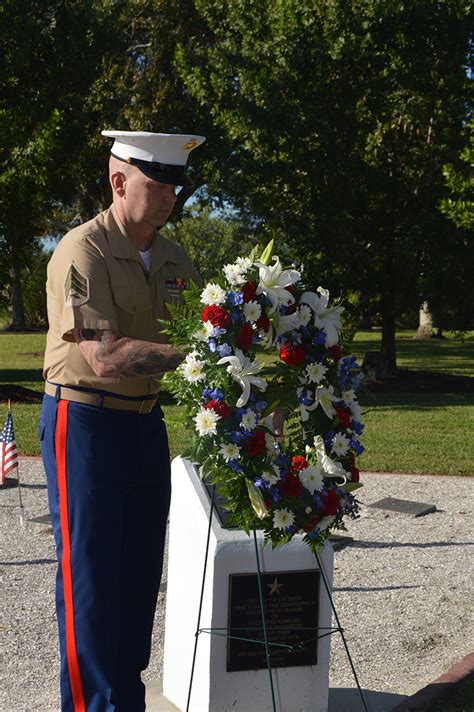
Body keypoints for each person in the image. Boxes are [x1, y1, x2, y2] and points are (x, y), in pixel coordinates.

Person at [39, 130, 205, 712]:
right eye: (158, 185)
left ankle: (123, 702)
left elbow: (197, 333)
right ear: (118, 182)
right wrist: (205, 358)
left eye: (175, 187)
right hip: (84, 423)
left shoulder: (174, 257)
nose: (170, 198)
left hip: (143, 423)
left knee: (137, 581)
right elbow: (103, 355)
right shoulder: (82, 250)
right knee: (90, 583)